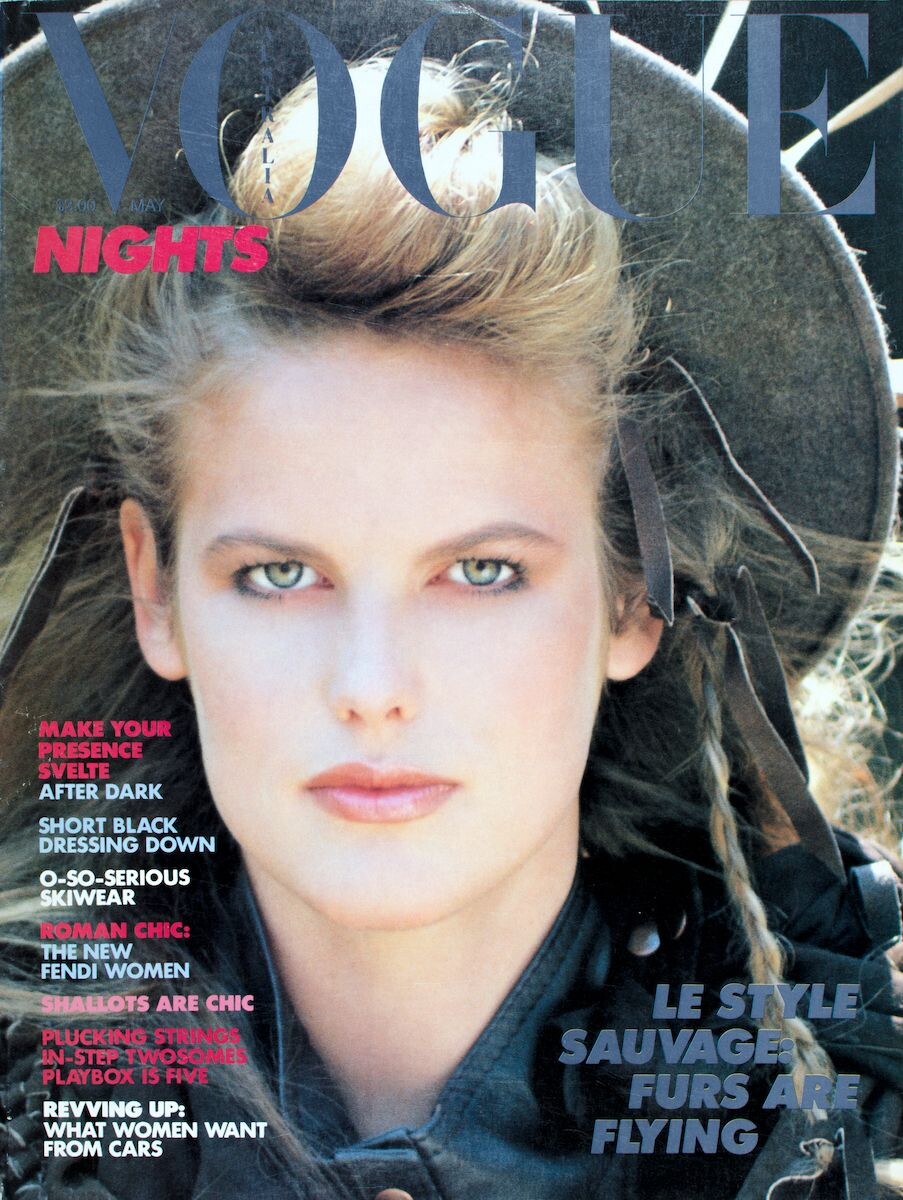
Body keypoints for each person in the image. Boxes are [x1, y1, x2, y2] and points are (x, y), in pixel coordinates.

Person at [1, 4, 901, 1199]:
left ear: (635, 597)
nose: (372, 688)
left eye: (482, 572)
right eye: (279, 573)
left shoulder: (854, 1131)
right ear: (153, 588)